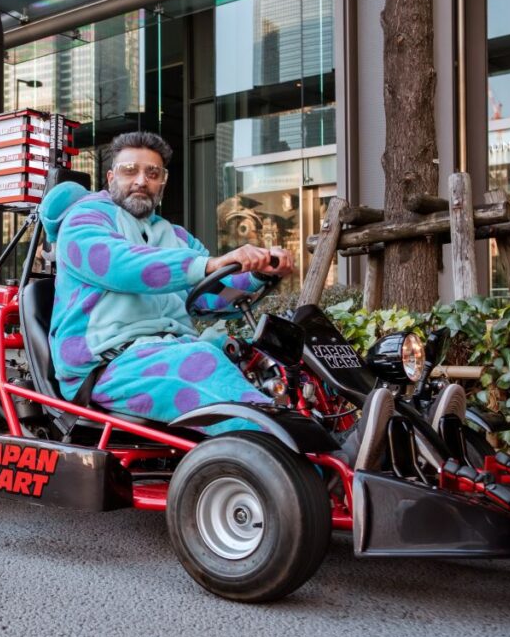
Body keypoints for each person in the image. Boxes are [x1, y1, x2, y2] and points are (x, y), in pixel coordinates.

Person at [42, 131, 392, 465]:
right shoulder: (84, 220)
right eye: (129, 170)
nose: (141, 180)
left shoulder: (174, 235)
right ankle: (321, 464)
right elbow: (123, 266)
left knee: (269, 354)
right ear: (110, 177)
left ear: (163, 182)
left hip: (166, 349)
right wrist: (208, 263)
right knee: (199, 361)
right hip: (106, 364)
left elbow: (210, 295)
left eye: (153, 173)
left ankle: (353, 431)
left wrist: (258, 273)